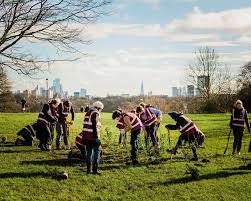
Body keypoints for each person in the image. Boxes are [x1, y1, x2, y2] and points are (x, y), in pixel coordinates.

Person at [82, 101, 104, 174]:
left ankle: (88, 170)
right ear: (98, 108)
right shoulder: (95, 113)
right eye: (100, 109)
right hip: (93, 136)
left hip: (86, 136)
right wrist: (96, 137)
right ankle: (95, 170)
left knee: (88, 153)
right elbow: (94, 126)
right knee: (97, 152)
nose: (100, 110)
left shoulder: (87, 112)